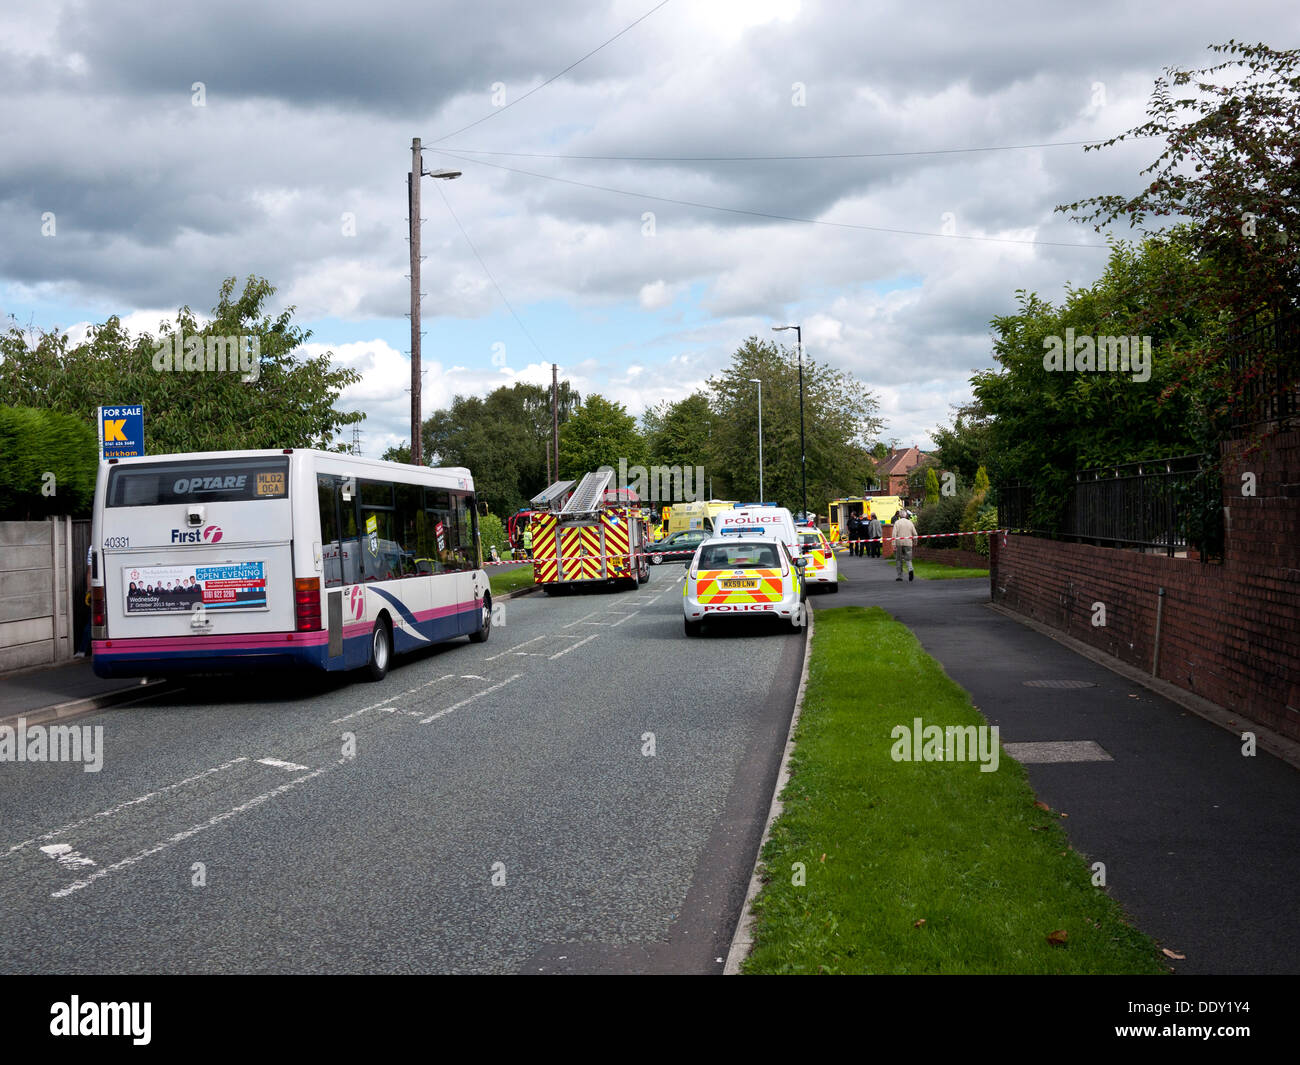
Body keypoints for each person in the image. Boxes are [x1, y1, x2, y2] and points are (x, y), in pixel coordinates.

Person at [892, 509, 918, 581]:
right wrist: (915, 542)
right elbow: (915, 534)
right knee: (908, 559)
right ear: (906, 515)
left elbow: (894, 534)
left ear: (900, 516)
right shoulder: (910, 523)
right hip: (908, 543)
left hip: (899, 543)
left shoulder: (897, 523)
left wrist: (893, 544)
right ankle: (910, 569)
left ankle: (900, 576)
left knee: (899, 560)